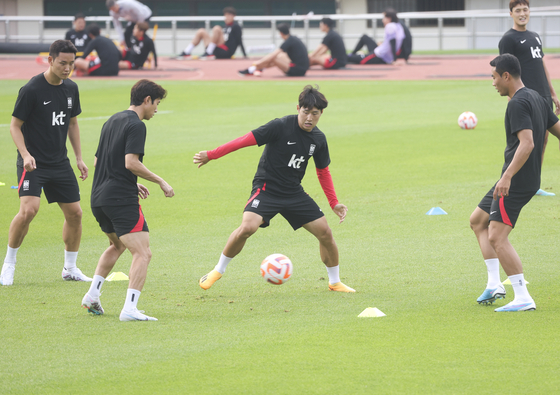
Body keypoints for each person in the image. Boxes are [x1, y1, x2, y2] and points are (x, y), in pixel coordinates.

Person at [193, 85, 355, 293]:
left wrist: (334, 203)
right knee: (247, 228)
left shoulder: (318, 139)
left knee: (325, 233)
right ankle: (218, 270)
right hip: (267, 189)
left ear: (321, 113)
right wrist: (212, 154)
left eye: (314, 114)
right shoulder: (279, 126)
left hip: (294, 192)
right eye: (305, 112)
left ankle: (335, 282)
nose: (309, 118)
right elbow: (244, 141)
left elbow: (323, 172)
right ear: (298, 108)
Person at [469, 54, 560, 312]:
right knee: (478, 220)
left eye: (494, 77)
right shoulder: (537, 97)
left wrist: (507, 177)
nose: (493, 82)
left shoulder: (517, 104)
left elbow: (528, 143)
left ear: (506, 76)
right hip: (517, 177)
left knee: (497, 236)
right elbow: (557, 131)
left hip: (516, 179)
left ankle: (522, 297)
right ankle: (494, 283)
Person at [1, 40, 91, 286]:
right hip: (32, 163)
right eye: (63, 63)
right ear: (50, 60)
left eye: (71, 63)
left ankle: (70, 268)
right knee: (29, 210)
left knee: (75, 214)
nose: (67, 68)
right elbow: (14, 126)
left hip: (60, 163)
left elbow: (72, 123)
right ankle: (9, 264)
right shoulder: (31, 89)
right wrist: (26, 154)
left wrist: (79, 158)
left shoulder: (71, 88)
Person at [82, 79, 174, 321]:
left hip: (98, 197)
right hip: (119, 199)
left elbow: (98, 161)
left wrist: (132, 182)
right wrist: (160, 181)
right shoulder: (136, 125)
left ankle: (92, 295)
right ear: (146, 100)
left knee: (118, 245)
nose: (157, 108)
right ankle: (129, 309)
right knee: (143, 253)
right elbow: (131, 162)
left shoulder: (112, 120)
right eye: (157, 103)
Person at [499, 0, 560, 195]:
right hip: (527, 98)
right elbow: (506, 70)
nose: (522, 13)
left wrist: (552, 92)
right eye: (518, 10)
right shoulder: (508, 39)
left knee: (542, 141)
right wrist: (512, 98)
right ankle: (516, 182)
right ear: (511, 14)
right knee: (526, 142)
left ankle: (534, 186)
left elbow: (541, 65)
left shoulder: (534, 36)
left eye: (525, 9)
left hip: (543, 96)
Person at [238, 23, 309, 77]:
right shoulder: (293, 38)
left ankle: (252, 69)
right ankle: (258, 69)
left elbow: (273, 55)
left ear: (281, 33)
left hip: (297, 70)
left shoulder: (289, 41)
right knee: (281, 56)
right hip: (302, 68)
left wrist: (258, 62)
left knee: (274, 58)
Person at [177, 6, 246, 60]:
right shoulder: (225, 26)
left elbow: (239, 41)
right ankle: (187, 52)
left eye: (229, 15)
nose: (226, 18)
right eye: (225, 15)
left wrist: (244, 55)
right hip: (216, 48)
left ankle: (209, 52)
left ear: (233, 16)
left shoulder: (236, 26)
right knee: (201, 31)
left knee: (217, 28)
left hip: (226, 50)